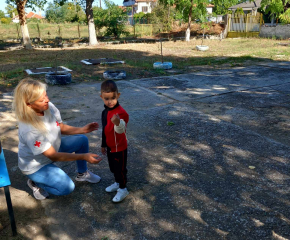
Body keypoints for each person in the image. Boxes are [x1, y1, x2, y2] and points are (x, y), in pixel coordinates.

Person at [13, 78, 102, 200]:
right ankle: (35, 183)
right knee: (67, 187)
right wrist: (84, 156)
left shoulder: (47, 106)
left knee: (82, 139)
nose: (47, 100)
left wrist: (83, 129)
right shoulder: (29, 129)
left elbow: (60, 126)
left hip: (52, 147)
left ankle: (82, 173)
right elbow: (53, 156)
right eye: (41, 99)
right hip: (37, 165)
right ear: (28, 104)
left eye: (46, 95)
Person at [100, 80, 129, 203]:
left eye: (113, 98)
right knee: (113, 168)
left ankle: (123, 189)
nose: (110, 101)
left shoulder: (121, 113)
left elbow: (121, 129)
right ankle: (117, 183)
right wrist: (103, 144)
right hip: (110, 147)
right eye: (106, 98)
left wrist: (117, 123)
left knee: (120, 169)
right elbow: (104, 129)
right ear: (101, 97)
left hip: (120, 147)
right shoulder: (105, 112)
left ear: (118, 95)